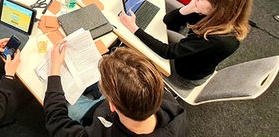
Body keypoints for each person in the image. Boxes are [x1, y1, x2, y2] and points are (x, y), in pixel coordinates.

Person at [120, 0, 254, 88]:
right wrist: (188, 8)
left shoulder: (220, 41)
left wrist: (134, 28)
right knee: (149, 36)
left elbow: (167, 52)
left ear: (219, 8)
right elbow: (168, 21)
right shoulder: (215, 15)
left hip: (184, 76)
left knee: (132, 54)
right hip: (188, 52)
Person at [44, 44, 186, 136]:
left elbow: (56, 121)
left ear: (111, 104)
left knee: (69, 106)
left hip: (100, 116)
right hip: (112, 112)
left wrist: (54, 71)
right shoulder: (172, 107)